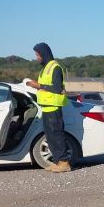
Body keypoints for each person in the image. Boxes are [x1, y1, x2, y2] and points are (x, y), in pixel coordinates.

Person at [25, 43, 72, 173]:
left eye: (38, 54)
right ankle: (58, 162)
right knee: (50, 136)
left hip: (53, 108)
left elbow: (57, 88)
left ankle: (64, 163)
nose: (37, 57)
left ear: (44, 53)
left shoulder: (55, 67)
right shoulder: (45, 68)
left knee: (57, 135)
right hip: (46, 108)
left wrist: (38, 85)